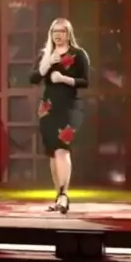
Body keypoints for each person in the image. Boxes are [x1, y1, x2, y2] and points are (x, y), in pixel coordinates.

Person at [30, 18, 89, 214]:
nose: (58, 35)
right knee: (53, 153)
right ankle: (59, 198)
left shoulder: (78, 54)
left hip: (69, 108)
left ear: (68, 33)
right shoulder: (45, 54)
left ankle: (64, 194)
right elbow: (33, 78)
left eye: (62, 31)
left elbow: (85, 81)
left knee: (63, 149)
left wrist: (65, 79)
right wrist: (47, 64)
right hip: (48, 109)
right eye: (55, 31)